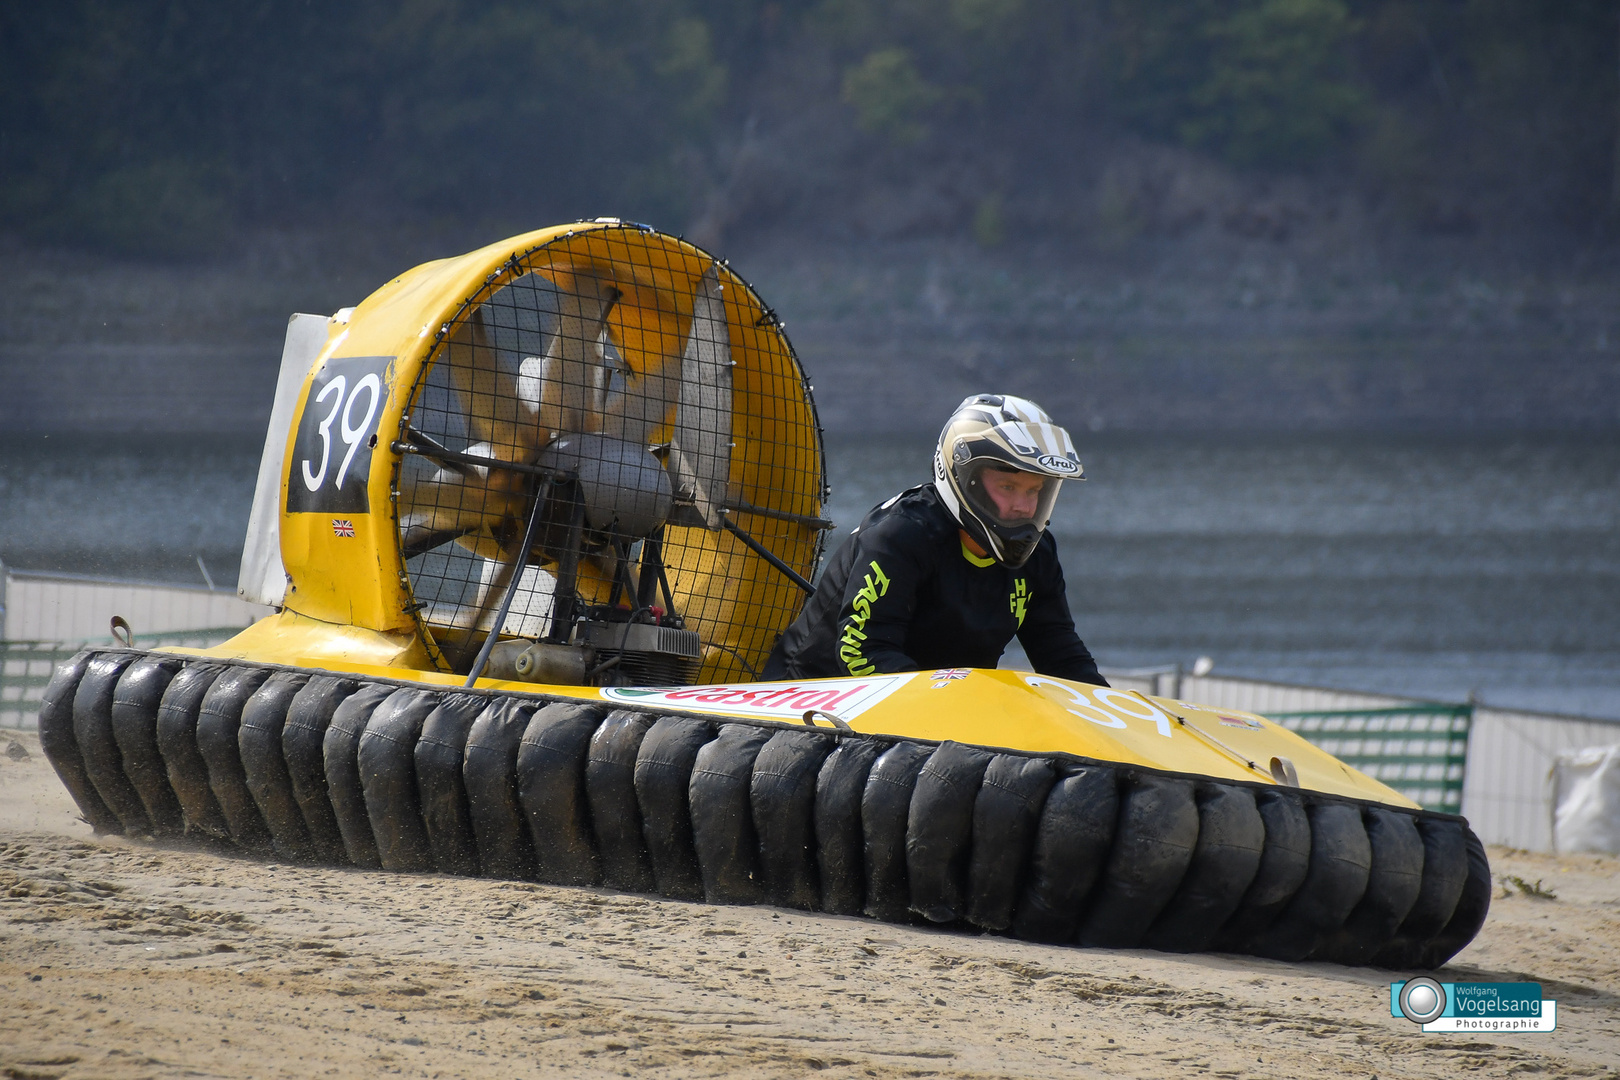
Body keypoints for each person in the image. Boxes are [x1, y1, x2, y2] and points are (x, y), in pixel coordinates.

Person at [764, 394, 1108, 686]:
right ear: (965, 478)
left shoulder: (1040, 553)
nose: (1024, 506)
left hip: (938, 712)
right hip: (813, 704)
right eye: (1007, 487)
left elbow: (1059, 651)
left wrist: (1109, 714)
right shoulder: (901, 535)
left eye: (1035, 490)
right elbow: (861, 651)